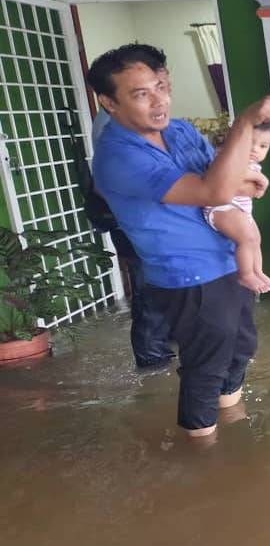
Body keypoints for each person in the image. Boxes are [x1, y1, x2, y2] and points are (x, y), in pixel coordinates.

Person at [89, 42, 270, 438]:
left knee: (240, 348)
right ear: (109, 103)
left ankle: (231, 420)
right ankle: (200, 456)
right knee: (206, 364)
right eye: (141, 93)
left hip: (228, 260)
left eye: (162, 85)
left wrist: (243, 181)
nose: (159, 101)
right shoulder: (117, 157)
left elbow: (223, 177)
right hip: (188, 276)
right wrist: (245, 124)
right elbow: (214, 191)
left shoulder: (178, 130)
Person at [76, 59, 175, 371]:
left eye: (161, 85)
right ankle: (151, 357)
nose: (161, 94)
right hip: (130, 221)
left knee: (157, 283)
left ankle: (162, 345)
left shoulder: (134, 123)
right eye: (146, 90)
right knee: (147, 285)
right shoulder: (114, 128)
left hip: (145, 219)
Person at [202, 122, 270, 294]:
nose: (255, 149)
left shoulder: (252, 164)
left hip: (241, 210)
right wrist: (262, 180)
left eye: (263, 146)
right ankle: (246, 274)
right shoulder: (227, 157)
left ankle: (257, 271)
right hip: (221, 207)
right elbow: (232, 173)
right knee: (246, 238)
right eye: (250, 143)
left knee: (256, 239)